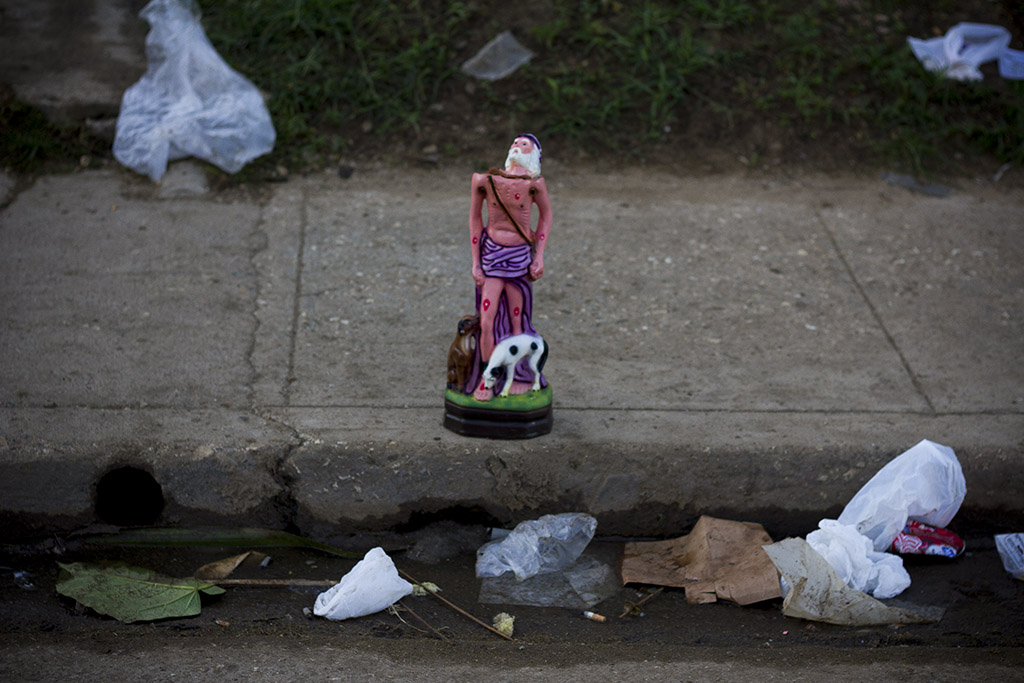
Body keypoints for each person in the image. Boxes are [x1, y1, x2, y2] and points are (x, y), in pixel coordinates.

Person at [465, 134, 553, 401]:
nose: (517, 145)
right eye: (515, 142)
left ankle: (520, 377)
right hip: (492, 258)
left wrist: (539, 257)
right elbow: (475, 220)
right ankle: (486, 378)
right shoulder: (484, 181)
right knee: (487, 319)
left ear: (534, 154)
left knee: (518, 323)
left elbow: (546, 216)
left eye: (524, 144)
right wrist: (475, 263)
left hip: (518, 261)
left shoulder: (534, 185)